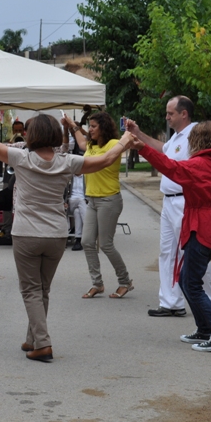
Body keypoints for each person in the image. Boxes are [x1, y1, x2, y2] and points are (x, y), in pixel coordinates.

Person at [0, 102, 132, 362]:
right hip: (57, 234)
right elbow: (105, 160)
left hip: (27, 233)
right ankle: (33, 339)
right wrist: (124, 140)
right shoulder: (67, 161)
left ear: (32, 135)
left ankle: (44, 343)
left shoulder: (22, 158)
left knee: (30, 290)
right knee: (42, 289)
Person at [130, 121, 211, 352]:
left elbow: (172, 168)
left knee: (191, 283)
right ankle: (205, 329)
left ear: (196, 140)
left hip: (203, 225)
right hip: (210, 223)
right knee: (187, 279)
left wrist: (143, 149)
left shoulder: (201, 163)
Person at [66, 111, 132, 299]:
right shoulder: (91, 146)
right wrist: (71, 124)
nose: (90, 130)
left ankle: (125, 281)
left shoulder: (113, 145)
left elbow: (124, 145)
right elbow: (80, 142)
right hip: (92, 200)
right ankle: (97, 284)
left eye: (93, 126)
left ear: (103, 127)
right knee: (87, 241)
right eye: (89, 126)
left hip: (109, 200)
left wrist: (128, 133)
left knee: (106, 244)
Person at [66, 173, 86, 251]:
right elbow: (65, 190)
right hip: (72, 202)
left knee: (77, 212)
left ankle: (78, 240)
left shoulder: (86, 177)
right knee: (80, 201)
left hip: (83, 202)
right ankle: (89, 228)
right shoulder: (69, 177)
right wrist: (65, 201)